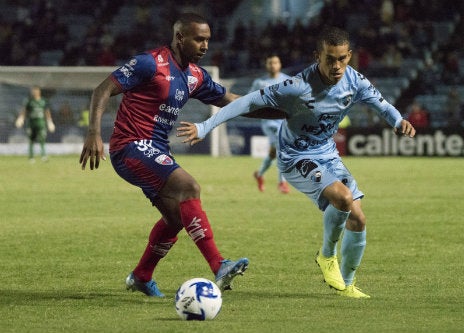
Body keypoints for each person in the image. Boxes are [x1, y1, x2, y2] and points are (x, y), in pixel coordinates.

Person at [178, 26, 416, 299]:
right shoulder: (297, 87)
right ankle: (327, 256)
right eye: (330, 59)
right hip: (296, 157)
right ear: (318, 56)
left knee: (359, 219)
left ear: (349, 56)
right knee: (343, 198)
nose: (336, 66)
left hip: (327, 153)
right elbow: (245, 103)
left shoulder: (355, 81)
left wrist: (398, 121)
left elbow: (382, 105)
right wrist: (205, 126)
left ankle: (346, 286)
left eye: (342, 58)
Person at [79, 13, 249, 297]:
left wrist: (280, 110)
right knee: (188, 187)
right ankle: (219, 265)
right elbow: (103, 89)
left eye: (208, 39)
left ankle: (142, 276)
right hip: (129, 146)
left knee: (175, 218)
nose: (205, 45)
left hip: (156, 150)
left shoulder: (195, 75)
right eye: (199, 39)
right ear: (180, 37)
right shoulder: (149, 62)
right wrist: (94, 132)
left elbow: (231, 101)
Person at [250, 54, 291, 194]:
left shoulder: (287, 80)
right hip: (269, 123)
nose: (273, 65)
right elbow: (250, 100)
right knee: (282, 148)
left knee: (273, 153)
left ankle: (259, 174)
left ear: (279, 64)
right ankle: (282, 183)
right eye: (270, 63)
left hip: (285, 121)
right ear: (266, 65)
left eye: (275, 62)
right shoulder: (260, 82)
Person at [15, 86, 55, 162]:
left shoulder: (43, 101)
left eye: (36, 91)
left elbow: (47, 111)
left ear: (39, 92)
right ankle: (31, 157)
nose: (34, 93)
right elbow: (24, 110)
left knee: (42, 139)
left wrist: (50, 121)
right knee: (31, 140)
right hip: (31, 123)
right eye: (33, 91)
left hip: (41, 123)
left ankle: (43, 156)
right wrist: (21, 118)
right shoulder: (29, 101)